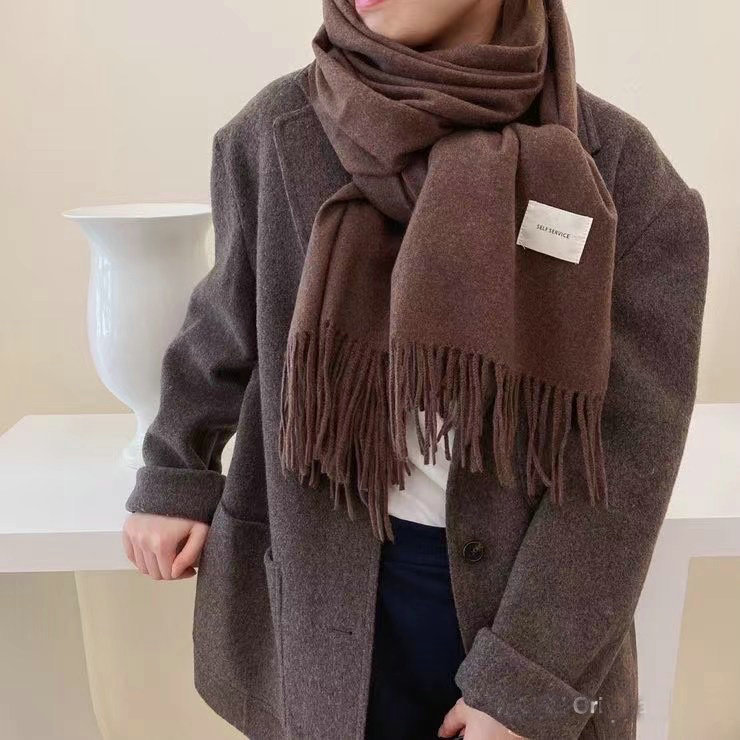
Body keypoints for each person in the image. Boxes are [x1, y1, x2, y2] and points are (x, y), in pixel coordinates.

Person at [122, 0, 709, 738]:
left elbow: (627, 459)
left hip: (521, 604)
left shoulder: (620, 175)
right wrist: (175, 467)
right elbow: (225, 319)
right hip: (317, 589)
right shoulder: (276, 134)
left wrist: (526, 680)